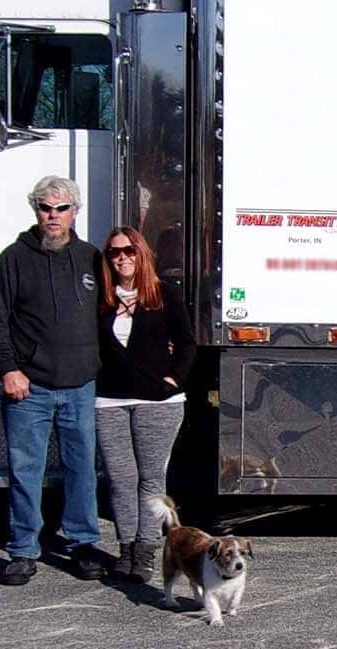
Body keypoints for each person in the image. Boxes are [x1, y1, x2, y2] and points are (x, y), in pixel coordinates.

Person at [0, 175, 106, 586]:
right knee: (25, 470)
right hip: (28, 388)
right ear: (35, 210)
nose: (53, 216)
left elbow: (110, 315)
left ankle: (82, 543)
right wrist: (9, 369)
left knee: (82, 469)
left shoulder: (90, 258)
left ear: (75, 212)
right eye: (45, 208)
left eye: (61, 208)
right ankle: (22, 550)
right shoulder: (14, 258)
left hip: (80, 386)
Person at [94, 226, 196, 583]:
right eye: (113, 252)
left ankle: (146, 550)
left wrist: (172, 381)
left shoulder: (165, 294)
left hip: (158, 402)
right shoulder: (101, 299)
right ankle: (126, 548)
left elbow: (186, 344)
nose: (121, 257)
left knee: (151, 479)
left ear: (141, 254)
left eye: (128, 251)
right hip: (109, 401)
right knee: (121, 478)